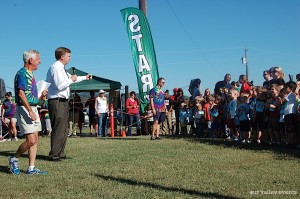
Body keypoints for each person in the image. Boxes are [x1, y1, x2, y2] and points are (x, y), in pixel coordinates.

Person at [47, 47, 92, 162]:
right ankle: (54, 154)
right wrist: (71, 79)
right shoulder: (56, 67)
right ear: (62, 56)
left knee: (64, 128)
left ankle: (60, 152)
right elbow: (60, 85)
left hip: (63, 101)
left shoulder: (62, 68)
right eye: (69, 56)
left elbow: (72, 79)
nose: (70, 58)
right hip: (57, 101)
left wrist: (84, 78)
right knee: (58, 128)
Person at [8, 49, 47, 175]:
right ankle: (14, 158)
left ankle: (31, 168)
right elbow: (21, 93)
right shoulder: (22, 74)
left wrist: (40, 98)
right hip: (26, 109)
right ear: (31, 60)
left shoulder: (30, 74)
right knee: (31, 140)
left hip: (32, 107)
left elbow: (29, 94)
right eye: (38, 59)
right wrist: (30, 110)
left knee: (35, 138)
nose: (40, 62)